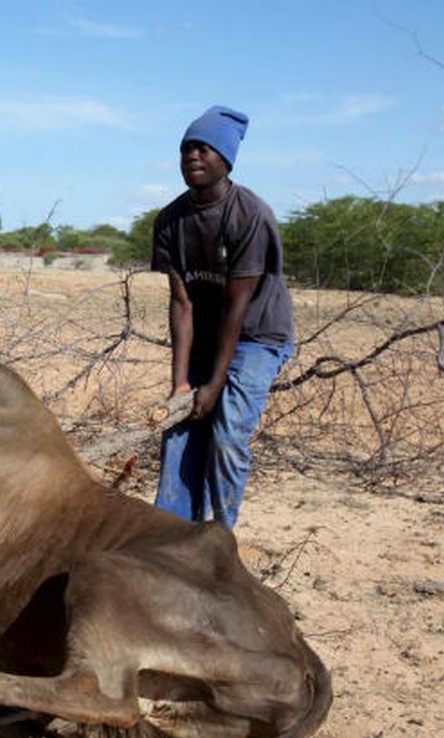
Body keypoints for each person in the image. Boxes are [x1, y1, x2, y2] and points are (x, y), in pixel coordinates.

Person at [151, 105, 295, 530]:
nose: (193, 156)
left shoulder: (249, 215)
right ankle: (172, 535)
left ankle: (217, 540)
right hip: (208, 333)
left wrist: (213, 385)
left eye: (205, 148)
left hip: (257, 334)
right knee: (179, 427)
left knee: (228, 432)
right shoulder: (169, 221)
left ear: (226, 160)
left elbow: (238, 307)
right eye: (186, 149)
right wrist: (181, 384)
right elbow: (182, 304)